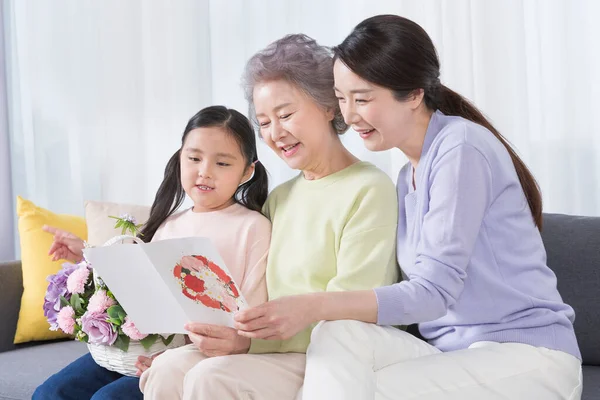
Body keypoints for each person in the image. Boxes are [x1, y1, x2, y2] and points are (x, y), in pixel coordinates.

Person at [235, 15, 583, 400]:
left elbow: (433, 292)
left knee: (363, 388)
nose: (349, 116)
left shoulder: (461, 147)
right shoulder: (406, 178)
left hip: (527, 358)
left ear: (414, 94)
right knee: (337, 331)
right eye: (342, 98)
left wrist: (311, 305)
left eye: (363, 98)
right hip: (449, 356)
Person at [140, 34, 399, 399]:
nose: (275, 133)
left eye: (286, 114)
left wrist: (248, 344)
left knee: (210, 378)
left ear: (329, 106)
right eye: (263, 122)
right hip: (265, 347)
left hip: (326, 355)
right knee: (166, 368)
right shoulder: (280, 198)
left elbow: (351, 314)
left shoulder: (369, 188)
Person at [33, 105, 271, 400]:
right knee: (50, 393)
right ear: (180, 158)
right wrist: (84, 253)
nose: (204, 172)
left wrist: (176, 357)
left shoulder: (253, 227)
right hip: (139, 349)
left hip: (197, 358)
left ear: (247, 171)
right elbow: (136, 283)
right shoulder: (169, 224)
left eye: (222, 163)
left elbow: (251, 314)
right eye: (194, 158)